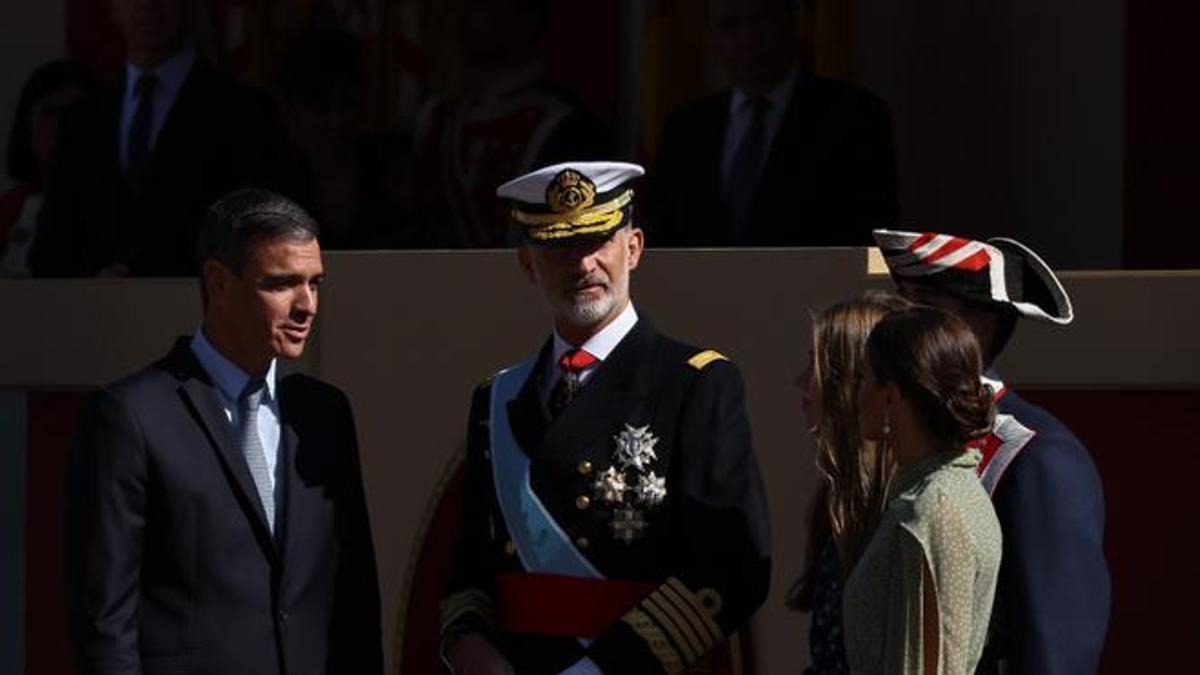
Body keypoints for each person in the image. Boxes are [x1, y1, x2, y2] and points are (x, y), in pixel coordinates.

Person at [440, 161, 771, 675]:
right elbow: (471, 568)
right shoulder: (496, 398)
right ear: (527, 263)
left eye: (598, 242)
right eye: (559, 246)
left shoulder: (695, 384)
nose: (583, 264)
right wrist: (468, 648)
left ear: (633, 248)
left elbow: (732, 566)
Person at [65, 189, 383, 675]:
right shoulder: (131, 416)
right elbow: (105, 621)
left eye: (315, 284)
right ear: (218, 282)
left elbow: (353, 597)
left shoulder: (326, 415)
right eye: (281, 284)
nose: (307, 305)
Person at [872, 229, 1110, 675]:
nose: (898, 324)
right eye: (898, 303)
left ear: (980, 323)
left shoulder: (1037, 458)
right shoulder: (896, 433)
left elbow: (1055, 654)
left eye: (922, 306)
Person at [31, 0, 286, 277]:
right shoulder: (82, 119)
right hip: (95, 314)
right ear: (113, 8)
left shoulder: (244, 110)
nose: (148, 4)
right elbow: (50, 247)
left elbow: (257, 237)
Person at [650, 0, 896, 247]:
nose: (748, 40)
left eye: (762, 21)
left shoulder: (855, 117)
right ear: (710, 36)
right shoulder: (685, 127)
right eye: (729, 26)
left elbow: (866, 234)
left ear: (793, 23)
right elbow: (664, 235)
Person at [845, 306, 1002, 675]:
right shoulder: (939, 492)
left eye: (865, 377)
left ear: (890, 397)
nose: (857, 393)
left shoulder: (935, 508)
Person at [790, 291, 912, 675]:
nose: (802, 383)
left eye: (816, 367)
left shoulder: (904, 513)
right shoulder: (840, 502)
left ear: (851, 383)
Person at [1, 60, 98, 277]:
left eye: (76, 112)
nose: (62, 125)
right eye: (50, 112)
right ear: (27, 123)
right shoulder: (9, 211)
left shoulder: (112, 208)